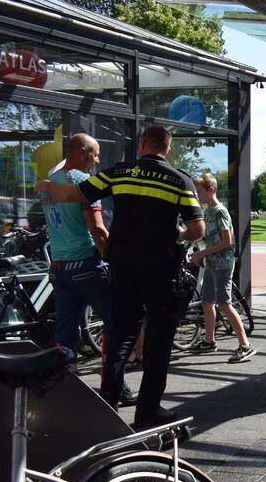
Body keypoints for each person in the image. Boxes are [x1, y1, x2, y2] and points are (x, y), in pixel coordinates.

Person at [34, 126, 205, 429]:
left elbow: (73, 194)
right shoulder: (180, 180)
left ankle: (109, 401)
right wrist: (176, 233)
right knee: (158, 338)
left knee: (120, 334)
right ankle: (148, 410)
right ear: (167, 148)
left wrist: (45, 184)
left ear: (143, 143)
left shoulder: (120, 172)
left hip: (123, 267)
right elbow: (197, 230)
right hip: (160, 270)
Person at [39, 134, 135, 405]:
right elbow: (98, 230)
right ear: (81, 152)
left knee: (66, 331)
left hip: (59, 267)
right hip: (86, 265)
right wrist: (116, 260)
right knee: (116, 324)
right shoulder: (83, 183)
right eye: (95, 154)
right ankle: (115, 388)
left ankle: (62, 386)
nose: (97, 160)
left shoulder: (50, 182)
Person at [190, 173, 256, 363]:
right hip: (212, 263)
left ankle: (246, 345)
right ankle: (209, 340)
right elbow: (207, 236)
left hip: (223, 264)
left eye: (200, 192)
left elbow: (227, 242)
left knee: (224, 303)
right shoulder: (208, 212)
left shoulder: (220, 211)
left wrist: (202, 253)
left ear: (211, 190)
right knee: (206, 301)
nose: (197, 195)